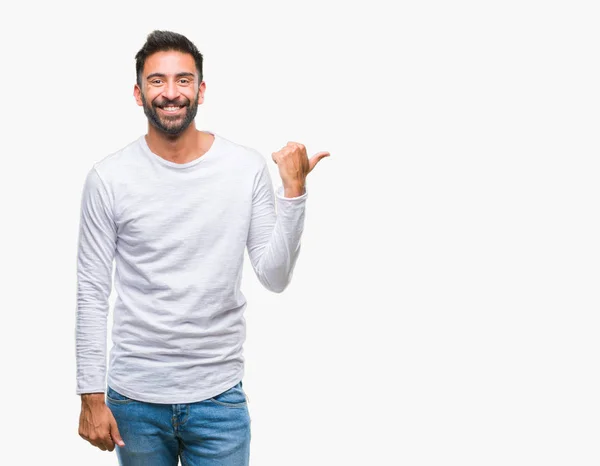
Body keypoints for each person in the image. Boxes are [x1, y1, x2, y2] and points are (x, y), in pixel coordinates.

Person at [75, 30, 329, 465]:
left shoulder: (244, 167)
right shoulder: (109, 178)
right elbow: (92, 290)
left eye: (183, 80)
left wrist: (293, 192)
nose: (170, 93)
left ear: (201, 90)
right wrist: (90, 396)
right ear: (138, 93)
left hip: (218, 399)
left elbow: (275, 276)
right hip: (135, 400)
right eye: (157, 81)